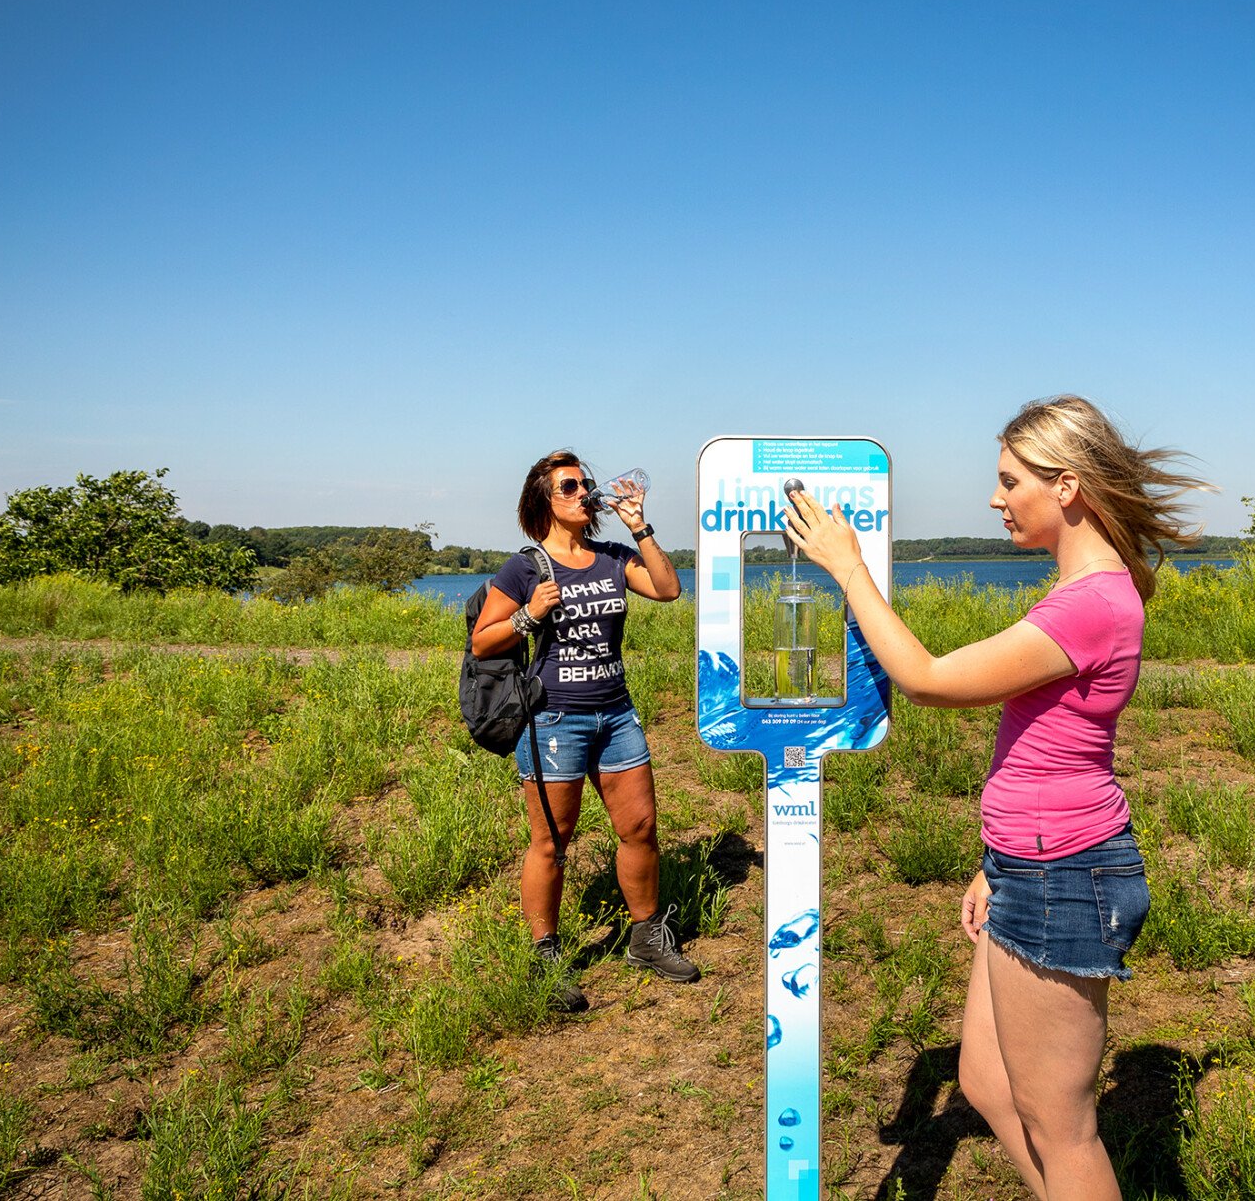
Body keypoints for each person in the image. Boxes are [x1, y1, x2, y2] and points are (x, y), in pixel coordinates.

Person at [784, 397, 1206, 1201]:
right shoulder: (1086, 594)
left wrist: (846, 568)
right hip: (1030, 865)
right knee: (983, 1079)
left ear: (1069, 487)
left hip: (1064, 875)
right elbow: (1044, 753)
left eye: (1010, 480)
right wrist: (995, 863)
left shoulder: (1091, 604)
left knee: (1064, 1129)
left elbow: (931, 681)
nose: (994, 497)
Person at [471, 450, 699, 1009]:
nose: (582, 493)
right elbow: (483, 640)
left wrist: (639, 524)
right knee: (553, 840)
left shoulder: (612, 556)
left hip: (616, 713)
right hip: (553, 717)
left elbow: (668, 589)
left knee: (640, 828)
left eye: (585, 484)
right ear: (543, 502)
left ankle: (646, 938)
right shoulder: (525, 568)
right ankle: (546, 957)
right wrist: (530, 615)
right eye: (569, 486)